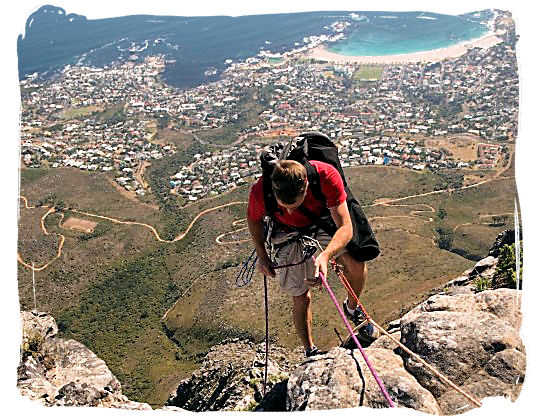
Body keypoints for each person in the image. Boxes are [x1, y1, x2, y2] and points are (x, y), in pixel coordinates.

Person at [247, 159, 379, 357]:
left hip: (320, 220)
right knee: (300, 295)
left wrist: (326, 256)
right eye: (285, 206)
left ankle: (352, 308)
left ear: (306, 185)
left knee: (355, 265)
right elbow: (253, 219)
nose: (290, 211)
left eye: (294, 205)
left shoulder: (325, 176)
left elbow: (346, 227)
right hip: (286, 231)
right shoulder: (261, 191)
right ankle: (310, 350)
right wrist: (262, 255)